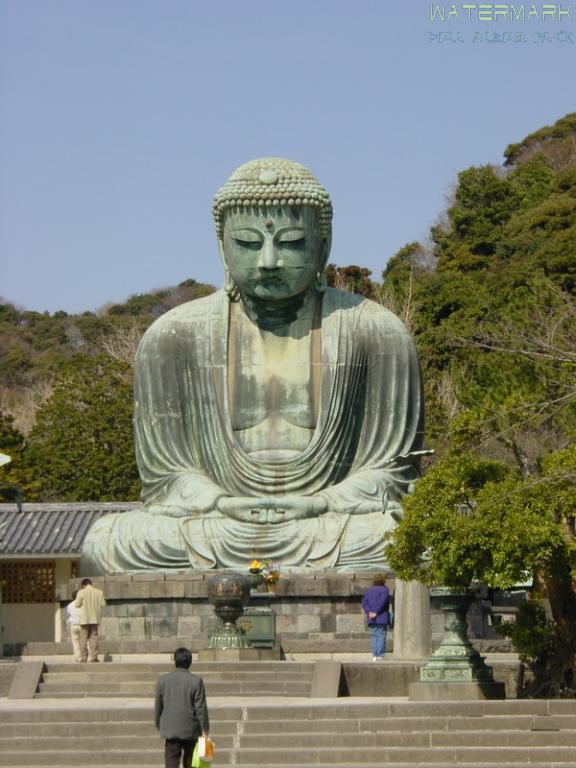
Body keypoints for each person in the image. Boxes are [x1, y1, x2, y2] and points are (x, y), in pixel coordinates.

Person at [81, 157, 425, 575]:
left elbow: (393, 473)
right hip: (218, 521)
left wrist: (323, 502)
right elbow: (165, 477)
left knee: (413, 539)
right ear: (221, 247)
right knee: (108, 542)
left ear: (324, 245)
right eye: (247, 243)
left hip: (331, 521)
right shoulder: (173, 337)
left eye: (292, 242)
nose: (268, 261)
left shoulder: (375, 331)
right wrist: (220, 502)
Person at [155, 647, 210, 768]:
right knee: (190, 760)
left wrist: (158, 724)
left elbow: (158, 707)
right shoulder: (196, 681)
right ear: (190, 662)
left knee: (171, 759)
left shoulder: (163, 680)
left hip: (171, 728)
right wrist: (205, 728)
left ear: (175, 661)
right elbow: (200, 707)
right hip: (191, 728)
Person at [73, 577, 106, 662]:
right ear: (91, 584)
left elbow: (76, 605)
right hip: (95, 618)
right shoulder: (99, 592)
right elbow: (103, 604)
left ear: (83, 585)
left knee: (83, 638)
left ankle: (83, 657)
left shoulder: (81, 592)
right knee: (93, 637)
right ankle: (94, 657)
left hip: (84, 618)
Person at [362, 573, 391, 661]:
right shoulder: (384, 590)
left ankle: (374, 655)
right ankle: (380, 655)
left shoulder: (370, 590)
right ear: (383, 580)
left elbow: (364, 603)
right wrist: (376, 612)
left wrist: (369, 612)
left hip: (371, 618)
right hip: (381, 617)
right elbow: (382, 603)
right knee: (381, 636)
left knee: (374, 636)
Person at [66, 589, 82, 662]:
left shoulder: (70, 605)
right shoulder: (82, 604)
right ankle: (87, 656)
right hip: (81, 624)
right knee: (86, 641)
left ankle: (78, 657)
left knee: (75, 642)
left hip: (73, 625)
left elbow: (69, 613)